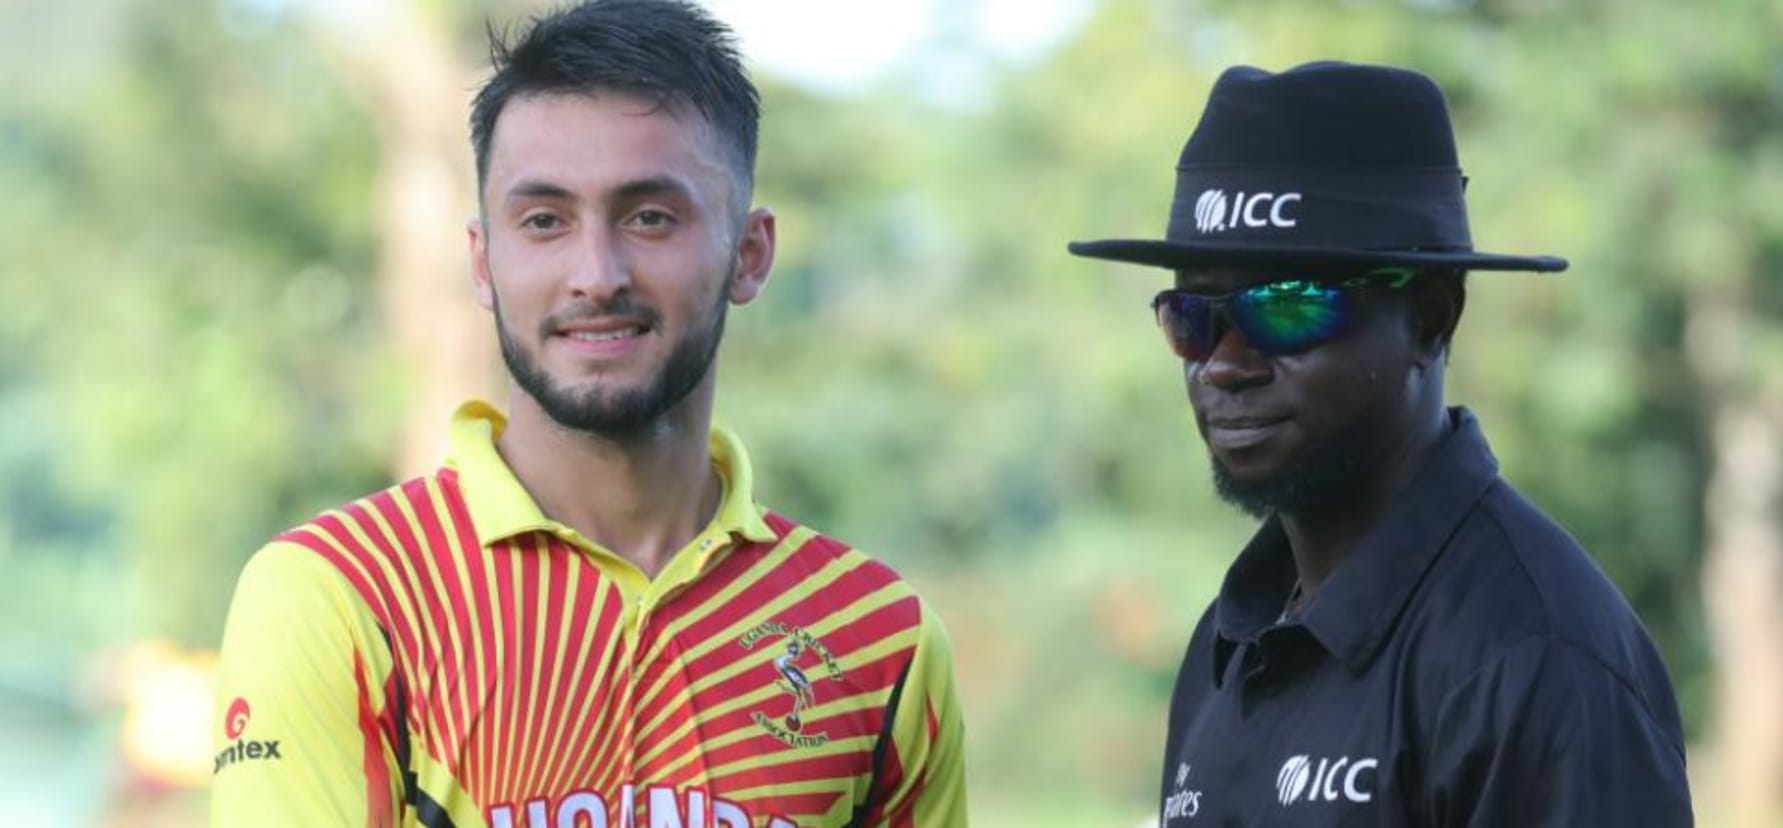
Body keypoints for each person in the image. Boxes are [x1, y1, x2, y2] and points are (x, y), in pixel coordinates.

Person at [210, 2, 968, 825]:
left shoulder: (880, 640)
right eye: (544, 221)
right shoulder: (340, 596)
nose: (596, 274)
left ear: (749, 254)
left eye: (650, 216)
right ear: (482, 260)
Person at [1068, 61, 1692, 826]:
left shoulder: (1533, 656)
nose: (1223, 364)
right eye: (1192, 317)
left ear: (1430, 319)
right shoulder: (1229, 642)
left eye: (1287, 309)